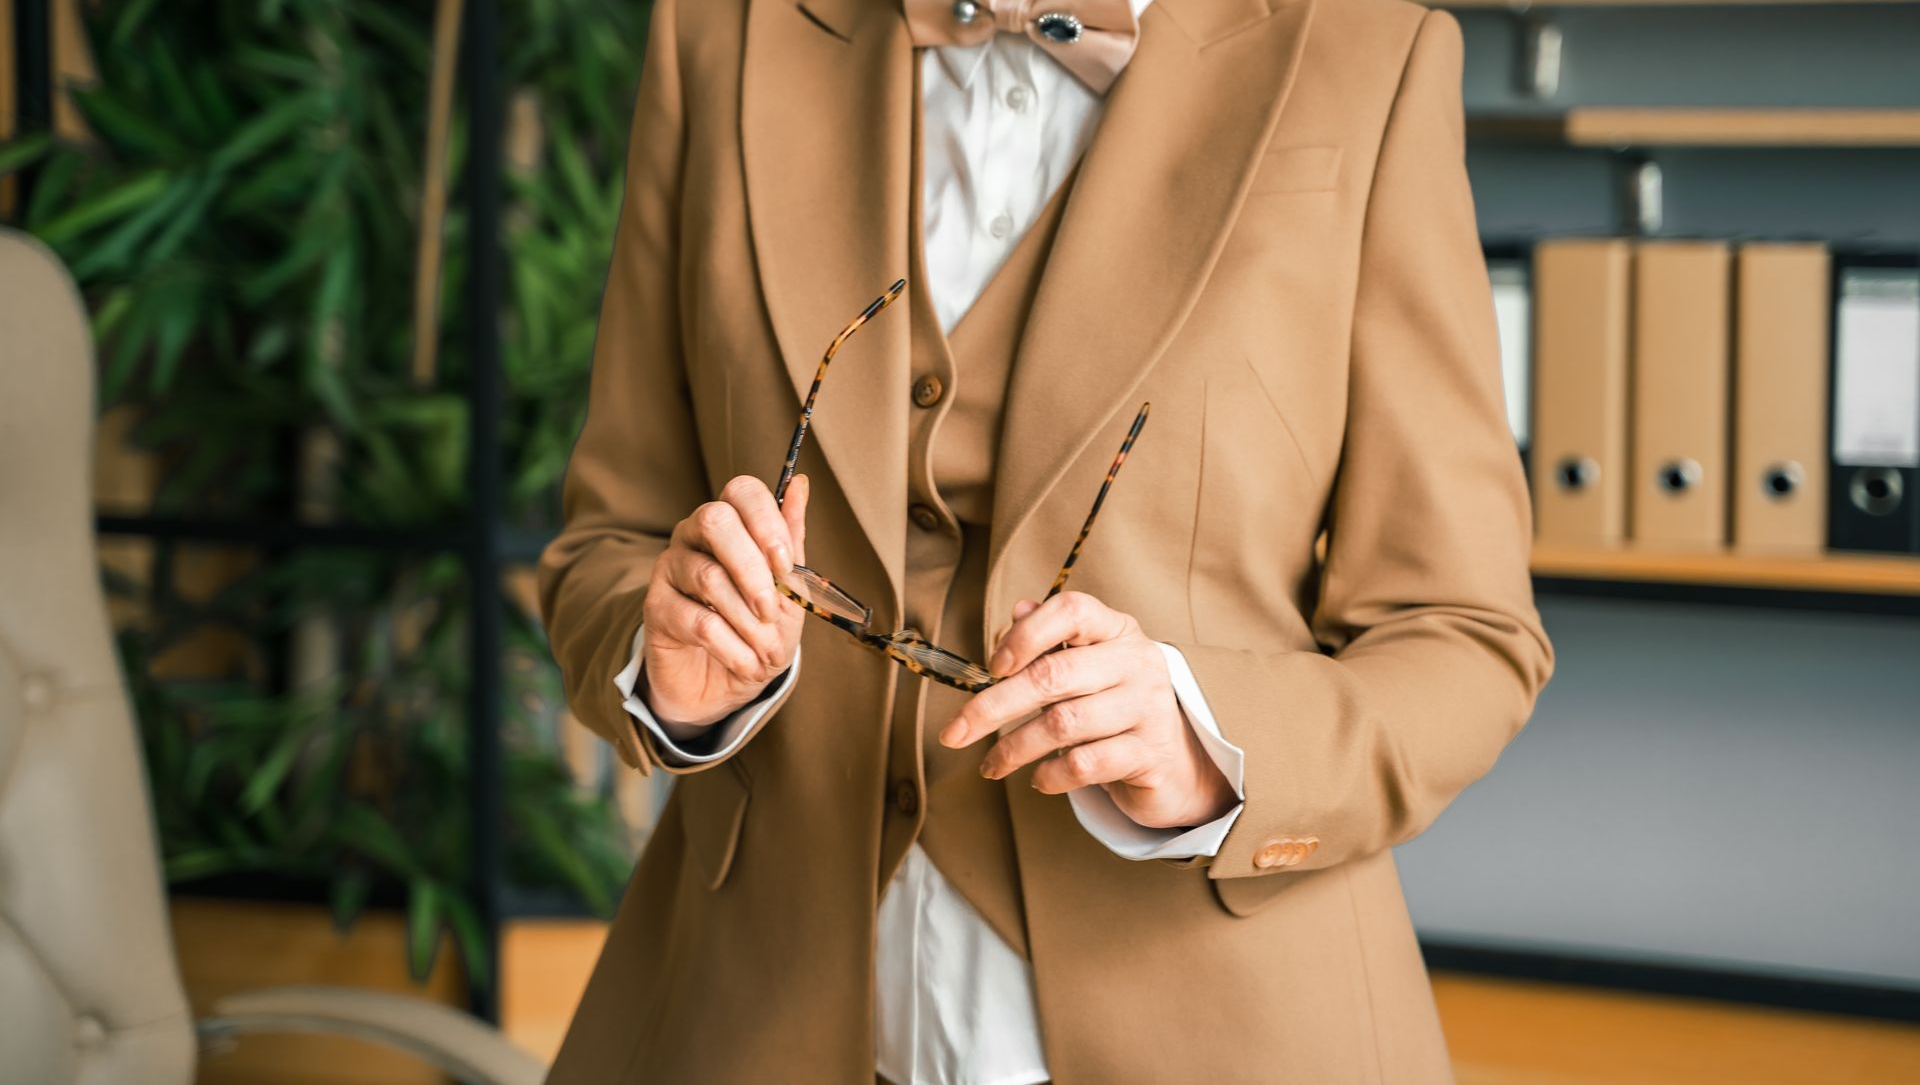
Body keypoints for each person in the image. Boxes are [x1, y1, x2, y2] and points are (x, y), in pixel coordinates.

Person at [535, 0, 1555, 1080]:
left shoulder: (1373, 55)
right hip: (748, 1013)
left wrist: (1204, 737)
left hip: (1225, 1026)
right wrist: (673, 663)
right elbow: (611, 537)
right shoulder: (718, 33)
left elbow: (1465, 633)